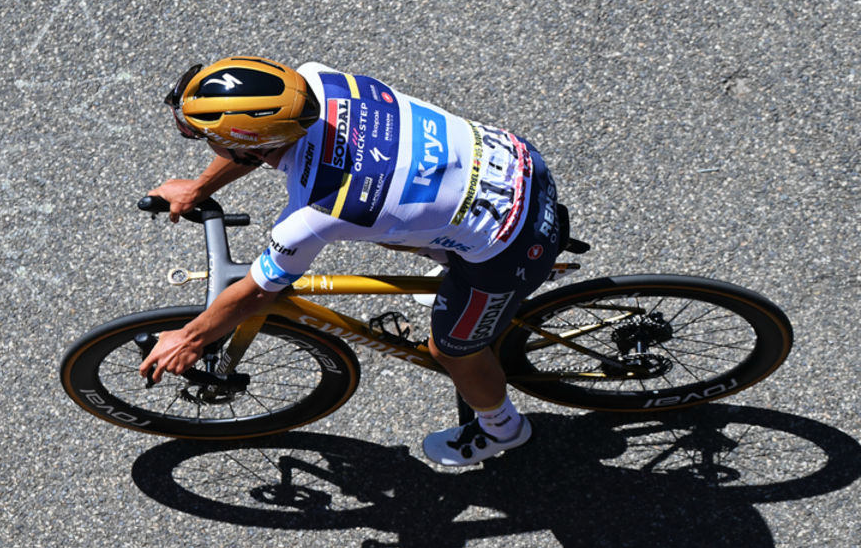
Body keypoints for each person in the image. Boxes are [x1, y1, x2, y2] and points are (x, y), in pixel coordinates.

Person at [139, 56, 561, 466]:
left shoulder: (313, 215)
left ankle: (502, 428)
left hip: (514, 245)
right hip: (516, 159)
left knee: (450, 351)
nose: (206, 143)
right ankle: (454, 260)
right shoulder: (317, 82)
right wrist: (197, 189)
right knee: (382, 220)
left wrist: (191, 337)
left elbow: (256, 295)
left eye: (207, 136)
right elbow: (255, 145)